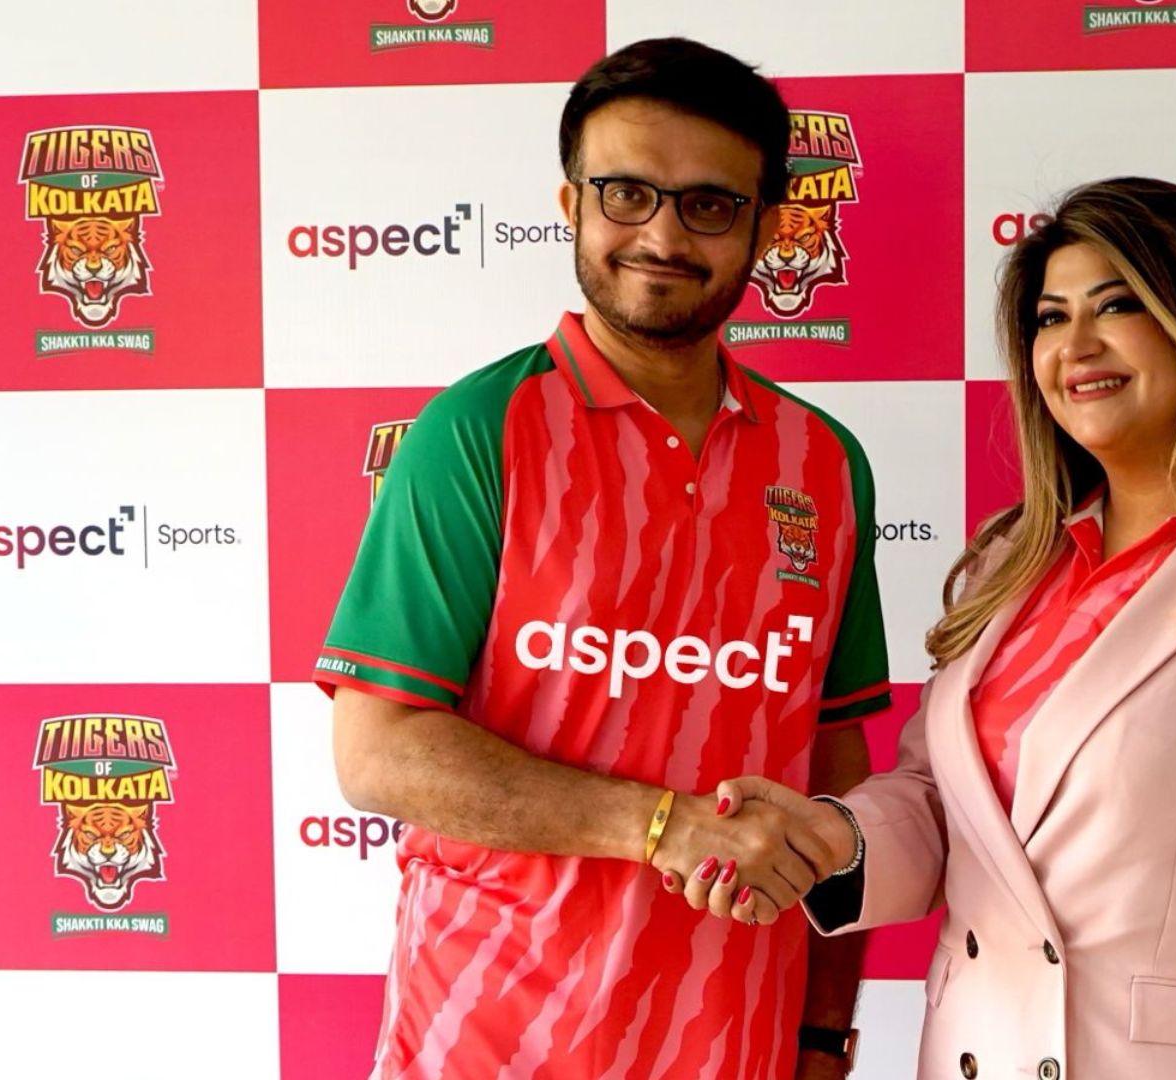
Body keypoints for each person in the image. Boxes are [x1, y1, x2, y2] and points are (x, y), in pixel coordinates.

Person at [690, 177, 1176, 1080]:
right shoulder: (1008, 563)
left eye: (1117, 305)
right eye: (1051, 318)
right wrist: (829, 838)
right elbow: (941, 806)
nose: (1076, 345)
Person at [315, 37, 888, 1080]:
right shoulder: (476, 431)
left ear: (767, 227)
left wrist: (821, 1033)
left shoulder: (827, 464)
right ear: (571, 204)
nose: (662, 236)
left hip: (736, 1041)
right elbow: (378, 752)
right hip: (486, 1039)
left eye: (709, 204)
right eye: (626, 193)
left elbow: (836, 780)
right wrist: (659, 826)